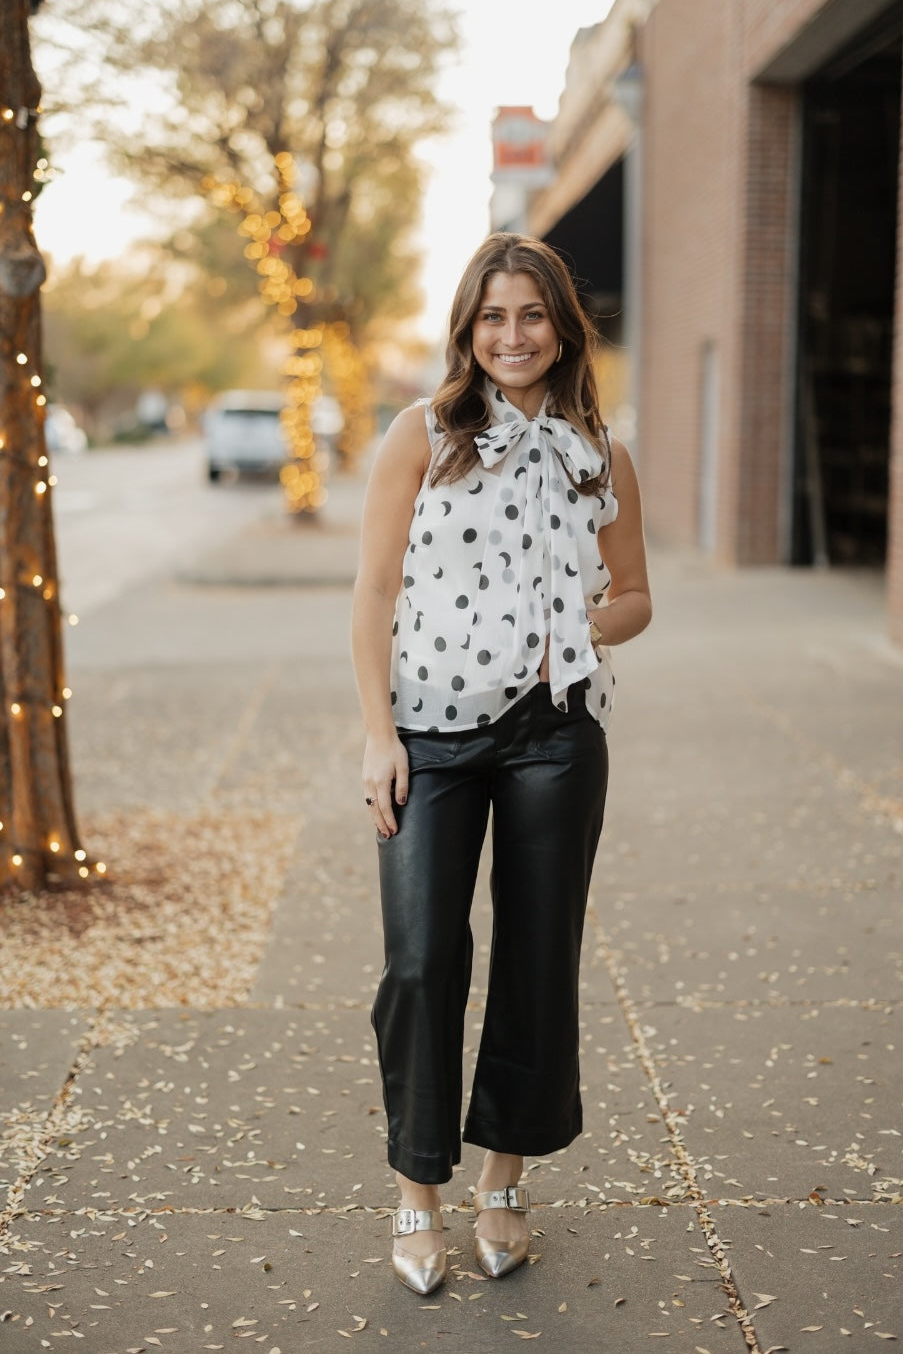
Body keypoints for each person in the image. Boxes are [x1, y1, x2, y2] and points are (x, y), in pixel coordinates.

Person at [351, 232, 652, 1295]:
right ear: (466, 330)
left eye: (532, 315)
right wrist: (380, 737)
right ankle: (414, 1192)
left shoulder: (597, 454)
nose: (512, 335)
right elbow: (374, 597)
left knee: (537, 958)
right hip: (429, 734)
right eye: (493, 317)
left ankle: (503, 1184)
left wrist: (578, 630)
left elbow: (634, 596)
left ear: (562, 327)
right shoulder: (422, 436)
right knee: (422, 960)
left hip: (556, 737)